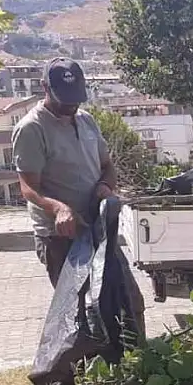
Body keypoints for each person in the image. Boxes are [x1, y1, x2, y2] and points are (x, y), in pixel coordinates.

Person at [15, 57, 118, 286]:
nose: (71, 106)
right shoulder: (32, 128)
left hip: (95, 228)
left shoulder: (86, 120)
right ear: (45, 87)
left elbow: (107, 166)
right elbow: (28, 187)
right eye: (65, 99)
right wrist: (59, 208)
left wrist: (105, 186)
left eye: (76, 98)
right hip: (60, 237)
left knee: (119, 302)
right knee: (75, 311)